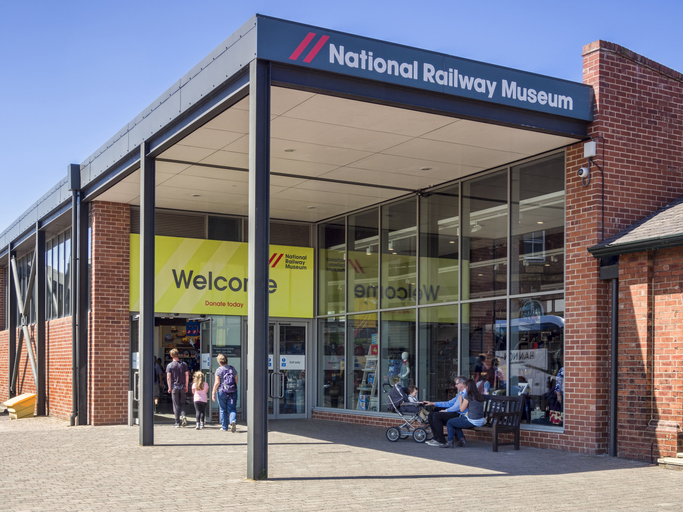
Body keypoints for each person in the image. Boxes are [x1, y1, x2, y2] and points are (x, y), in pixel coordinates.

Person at [423, 376, 468, 446]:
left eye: (457, 384)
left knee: (436, 415)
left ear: (462, 384)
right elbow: (449, 403)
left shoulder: (465, 394)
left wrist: (446, 411)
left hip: (460, 415)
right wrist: (433, 403)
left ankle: (441, 440)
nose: (455, 386)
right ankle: (436, 438)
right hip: (454, 412)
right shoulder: (460, 394)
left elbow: (457, 407)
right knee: (431, 414)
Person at [442, 378, 486, 448]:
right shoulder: (479, 396)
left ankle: (450, 442)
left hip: (472, 421)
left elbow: (462, 409)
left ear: (468, 387)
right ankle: (461, 440)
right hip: (480, 420)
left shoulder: (468, 396)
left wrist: (460, 400)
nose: (465, 388)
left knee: (450, 422)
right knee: (456, 421)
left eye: (466, 386)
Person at [212, 354, 238, 432]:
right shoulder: (232, 369)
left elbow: (217, 382)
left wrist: (213, 392)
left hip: (222, 392)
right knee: (232, 408)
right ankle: (233, 421)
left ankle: (224, 427)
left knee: (223, 409)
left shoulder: (218, 370)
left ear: (219, 362)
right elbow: (236, 381)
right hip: (232, 392)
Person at [166, 348, 189, 427]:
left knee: (176, 404)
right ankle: (183, 416)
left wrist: (169, 387)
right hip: (182, 386)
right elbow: (187, 375)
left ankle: (177, 422)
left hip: (174, 387)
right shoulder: (184, 364)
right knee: (182, 402)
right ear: (178, 355)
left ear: (171, 356)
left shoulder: (169, 365)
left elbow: (168, 377)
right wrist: (186, 385)